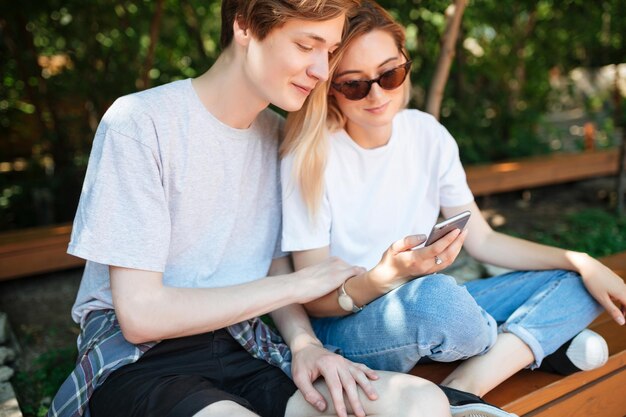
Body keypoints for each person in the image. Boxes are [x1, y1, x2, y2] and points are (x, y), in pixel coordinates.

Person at [46, 1, 454, 417]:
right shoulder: (140, 122)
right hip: (143, 359)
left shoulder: (280, 138)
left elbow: (274, 264)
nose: (321, 70)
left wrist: (306, 345)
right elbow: (141, 315)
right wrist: (301, 284)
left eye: (328, 52)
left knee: (419, 402)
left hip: (245, 344)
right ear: (244, 26)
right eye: (305, 45)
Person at [280, 1, 626, 416]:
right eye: (354, 84)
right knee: (437, 300)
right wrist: (386, 277)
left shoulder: (427, 134)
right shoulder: (310, 158)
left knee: (578, 282)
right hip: (351, 325)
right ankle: (526, 343)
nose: (377, 94)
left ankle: (463, 390)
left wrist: (582, 260)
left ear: (406, 64)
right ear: (330, 87)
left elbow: (483, 239)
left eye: (390, 75)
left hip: (436, 307)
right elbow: (315, 300)